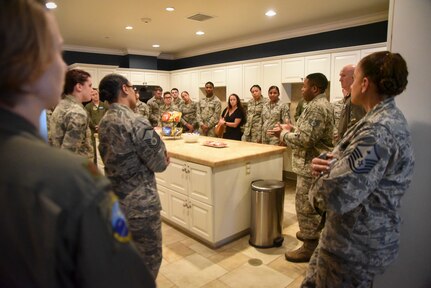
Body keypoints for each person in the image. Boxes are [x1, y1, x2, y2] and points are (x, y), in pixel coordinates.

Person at [0, 1, 155, 287]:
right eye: (57, 53)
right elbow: (129, 279)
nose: (62, 66)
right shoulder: (77, 182)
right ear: (29, 63)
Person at [302, 52, 415, 288]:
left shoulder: (378, 130)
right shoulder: (383, 118)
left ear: (364, 84)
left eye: (355, 79)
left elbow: (338, 193)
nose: (350, 84)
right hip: (350, 237)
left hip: (352, 246)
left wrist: (314, 192)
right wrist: (328, 163)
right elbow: (355, 166)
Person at [97, 74, 169, 279]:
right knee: (149, 261)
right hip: (141, 207)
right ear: (124, 89)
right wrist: (162, 155)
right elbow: (160, 163)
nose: (136, 93)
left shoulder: (104, 121)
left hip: (115, 203)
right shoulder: (137, 121)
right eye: (133, 88)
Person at [268, 73, 334, 262]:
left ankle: (310, 247)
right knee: (312, 205)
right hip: (312, 164)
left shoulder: (316, 107)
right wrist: (292, 129)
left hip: (310, 166)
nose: (302, 90)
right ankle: (310, 237)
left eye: (304, 87)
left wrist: (283, 135)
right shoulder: (318, 104)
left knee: (306, 207)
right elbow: (308, 133)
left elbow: (306, 140)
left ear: (315, 89)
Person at [51, 69, 94, 160]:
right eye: (90, 86)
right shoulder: (77, 113)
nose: (92, 90)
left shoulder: (62, 105)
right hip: (78, 168)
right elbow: (69, 154)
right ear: (79, 87)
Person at [333, 64, 366, 143]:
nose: (340, 79)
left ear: (353, 78)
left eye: (343, 76)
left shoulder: (357, 99)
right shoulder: (349, 98)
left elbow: (356, 130)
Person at [85, 88, 109, 164]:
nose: (95, 96)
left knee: (105, 150)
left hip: (104, 131)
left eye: (96, 94)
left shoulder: (104, 105)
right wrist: (94, 126)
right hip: (92, 132)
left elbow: (108, 115)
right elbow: (87, 118)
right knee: (94, 151)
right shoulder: (88, 106)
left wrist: (102, 125)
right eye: (93, 95)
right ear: (91, 96)